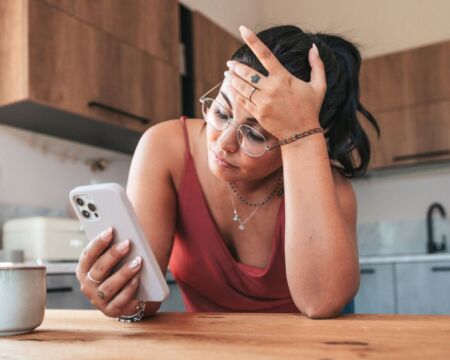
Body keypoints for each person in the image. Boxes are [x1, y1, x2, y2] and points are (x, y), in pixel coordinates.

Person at [76, 25, 380, 321]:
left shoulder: (333, 189)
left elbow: (321, 303)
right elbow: (143, 298)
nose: (223, 143)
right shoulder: (165, 149)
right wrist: (122, 299)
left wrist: (302, 133)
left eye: (256, 136)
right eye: (221, 113)